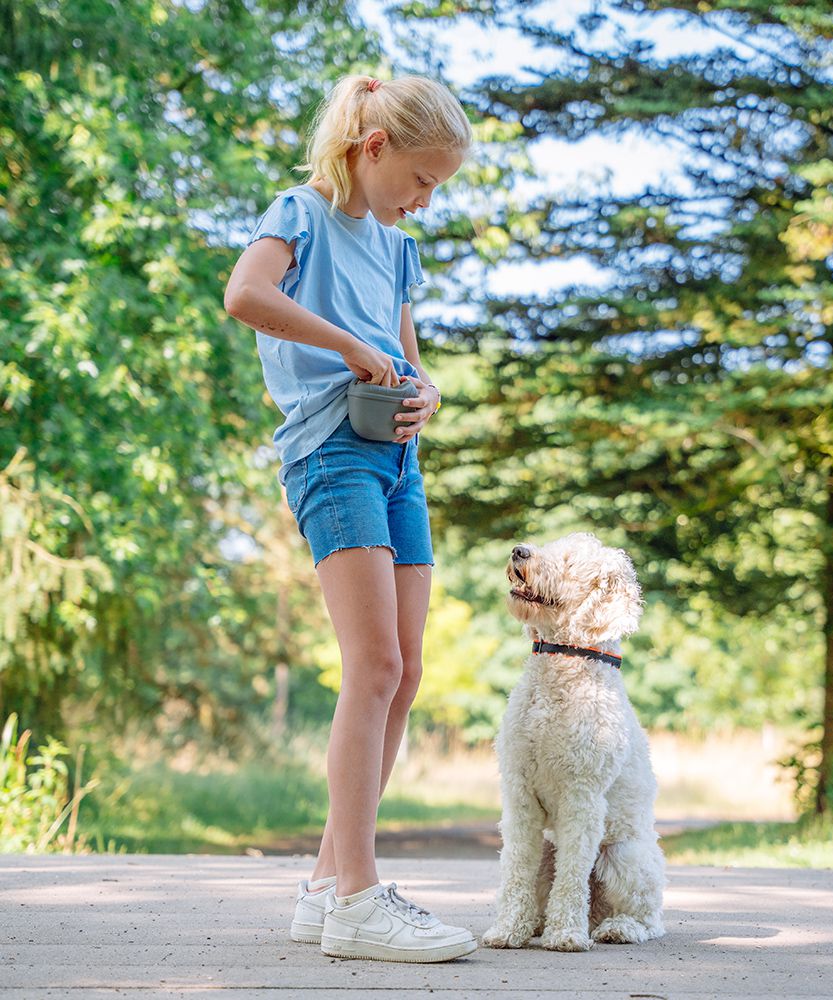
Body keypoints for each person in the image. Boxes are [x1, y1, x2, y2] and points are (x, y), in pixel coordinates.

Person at [224, 74, 475, 963]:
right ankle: (362, 901)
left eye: (437, 186)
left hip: (398, 460)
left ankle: (328, 885)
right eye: (421, 179)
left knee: (402, 676)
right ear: (373, 150)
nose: (425, 199)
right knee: (370, 665)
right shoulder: (300, 212)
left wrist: (425, 391)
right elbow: (245, 296)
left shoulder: (401, 251)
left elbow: (409, 360)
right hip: (332, 453)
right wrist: (346, 347)